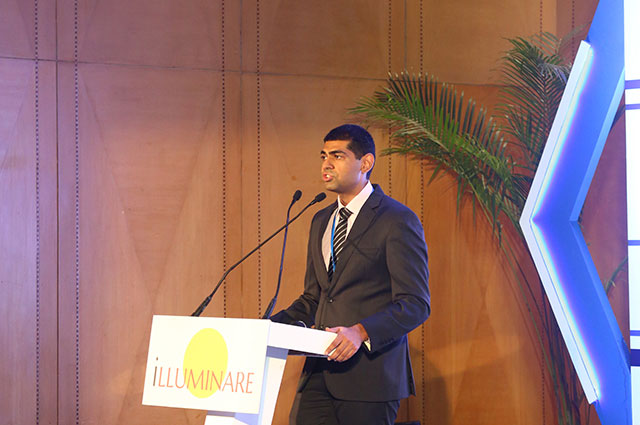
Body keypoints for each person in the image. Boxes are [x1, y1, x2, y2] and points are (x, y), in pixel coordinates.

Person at [270, 124, 430, 425]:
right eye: (323, 156)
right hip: (318, 373)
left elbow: (415, 304)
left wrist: (361, 331)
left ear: (365, 163)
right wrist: (264, 329)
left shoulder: (396, 219)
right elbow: (314, 298)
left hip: (370, 378)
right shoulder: (321, 219)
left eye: (338, 156)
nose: (326, 164)